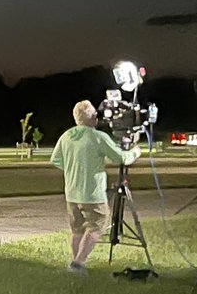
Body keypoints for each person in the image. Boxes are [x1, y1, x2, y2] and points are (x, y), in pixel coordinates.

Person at [49, 99, 141, 275]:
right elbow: (121, 158)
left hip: (71, 193)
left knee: (77, 230)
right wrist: (135, 151)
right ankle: (79, 262)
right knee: (97, 225)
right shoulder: (98, 137)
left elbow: (56, 160)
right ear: (91, 117)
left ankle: (76, 265)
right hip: (92, 194)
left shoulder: (67, 136)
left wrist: (73, 167)